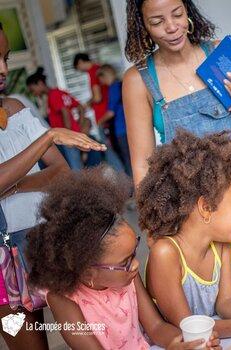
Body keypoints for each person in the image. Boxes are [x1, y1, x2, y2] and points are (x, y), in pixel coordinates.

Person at [26, 167, 221, 350]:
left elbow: (155, 327)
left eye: (134, 253)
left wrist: (185, 342)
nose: (136, 265)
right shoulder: (64, 301)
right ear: (87, 272)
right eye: (125, 262)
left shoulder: (127, 276)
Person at [0, 21, 106, 350]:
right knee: (28, 343)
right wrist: (47, 137)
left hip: (46, 246)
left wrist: (11, 186)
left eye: (6, 57)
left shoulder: (16, 110)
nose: (3, 68)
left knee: (89, 332)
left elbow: (59, 171)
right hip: (4, 270)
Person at [137, 130, 231, 339]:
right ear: (206, 207)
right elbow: (188, 327)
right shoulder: (165, 253)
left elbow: (227, 302)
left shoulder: (221, 244)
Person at [123, 0, 231, 187]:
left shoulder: (219, 53)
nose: (172, 27)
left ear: (187, 10)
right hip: (195, 204)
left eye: (177, 14)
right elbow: (142, 165)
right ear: (143, 25)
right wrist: (149, 213)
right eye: (158, 22)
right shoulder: (138, 80)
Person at [26, 68, 90, 170]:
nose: (34, 93)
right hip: (72, 136)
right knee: (78, 167)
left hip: (67, 138)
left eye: (33, 90)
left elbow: (65, 113)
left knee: (76, 169)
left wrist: (68, 134)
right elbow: (80, 107)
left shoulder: (53, 95)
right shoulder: (59, 92)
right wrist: (80, 126)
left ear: (40, 83)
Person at [73, 54, 125, 172]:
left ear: (81, 62)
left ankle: (125, 180)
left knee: (110, 152)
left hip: (104, 116)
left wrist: (86, 105)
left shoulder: (93, 72)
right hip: (111, 116)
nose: (80, 70)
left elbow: (97, 97)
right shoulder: (99, 68)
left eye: (78, 67)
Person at [97, 64, 133, 177]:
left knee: (127, 160)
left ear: (105, 75)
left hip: (121, 130)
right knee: (132, 158)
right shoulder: (122, 84)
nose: (101, 82)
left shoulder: (113, 87)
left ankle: (133, 188)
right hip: (129, 127)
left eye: (101, 79)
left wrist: (99, 122)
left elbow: (111, 112)